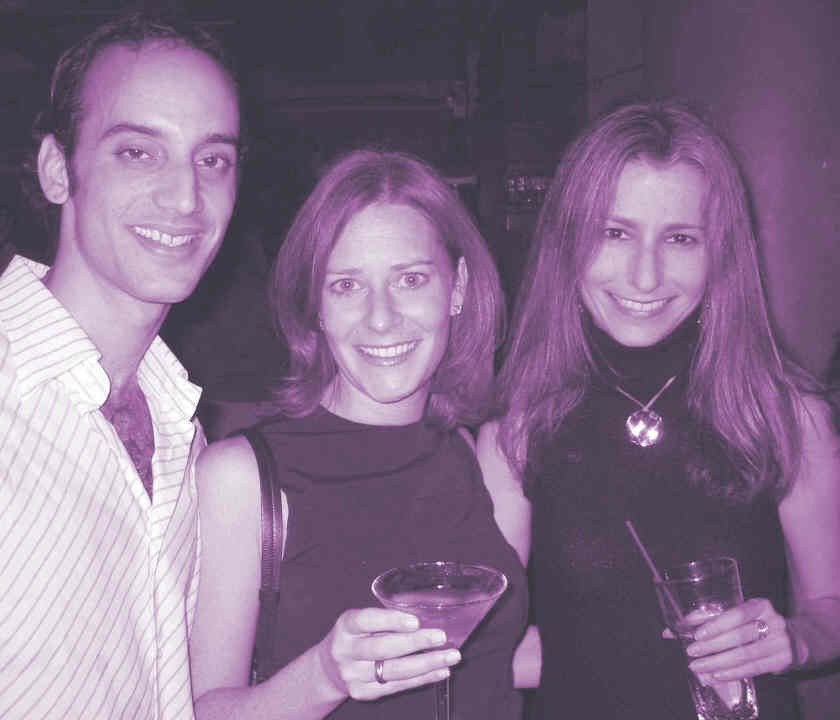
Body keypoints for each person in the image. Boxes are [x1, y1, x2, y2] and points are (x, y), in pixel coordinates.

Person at [477, 99, 840, 719]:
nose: (645, 277)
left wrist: (793, 639)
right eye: (614, 233)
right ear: (568, 243)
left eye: (680, 238)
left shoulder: (786, 417)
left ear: (720, 254)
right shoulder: (517, 435)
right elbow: (489, 647)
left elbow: (831, 607)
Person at [190, 149, 528, 720]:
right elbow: (205, 711)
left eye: (411, 280)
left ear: (458, 289)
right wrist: (324, 675)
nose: (381, 318)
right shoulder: (241, 476)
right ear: (315, 305)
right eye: (346, 285)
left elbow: (493, 660)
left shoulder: (478, 456)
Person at [0, 13, 243, 720]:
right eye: (138, 152)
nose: (186, 198)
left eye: (213, 160)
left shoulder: (180, 429)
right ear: (57, 170)